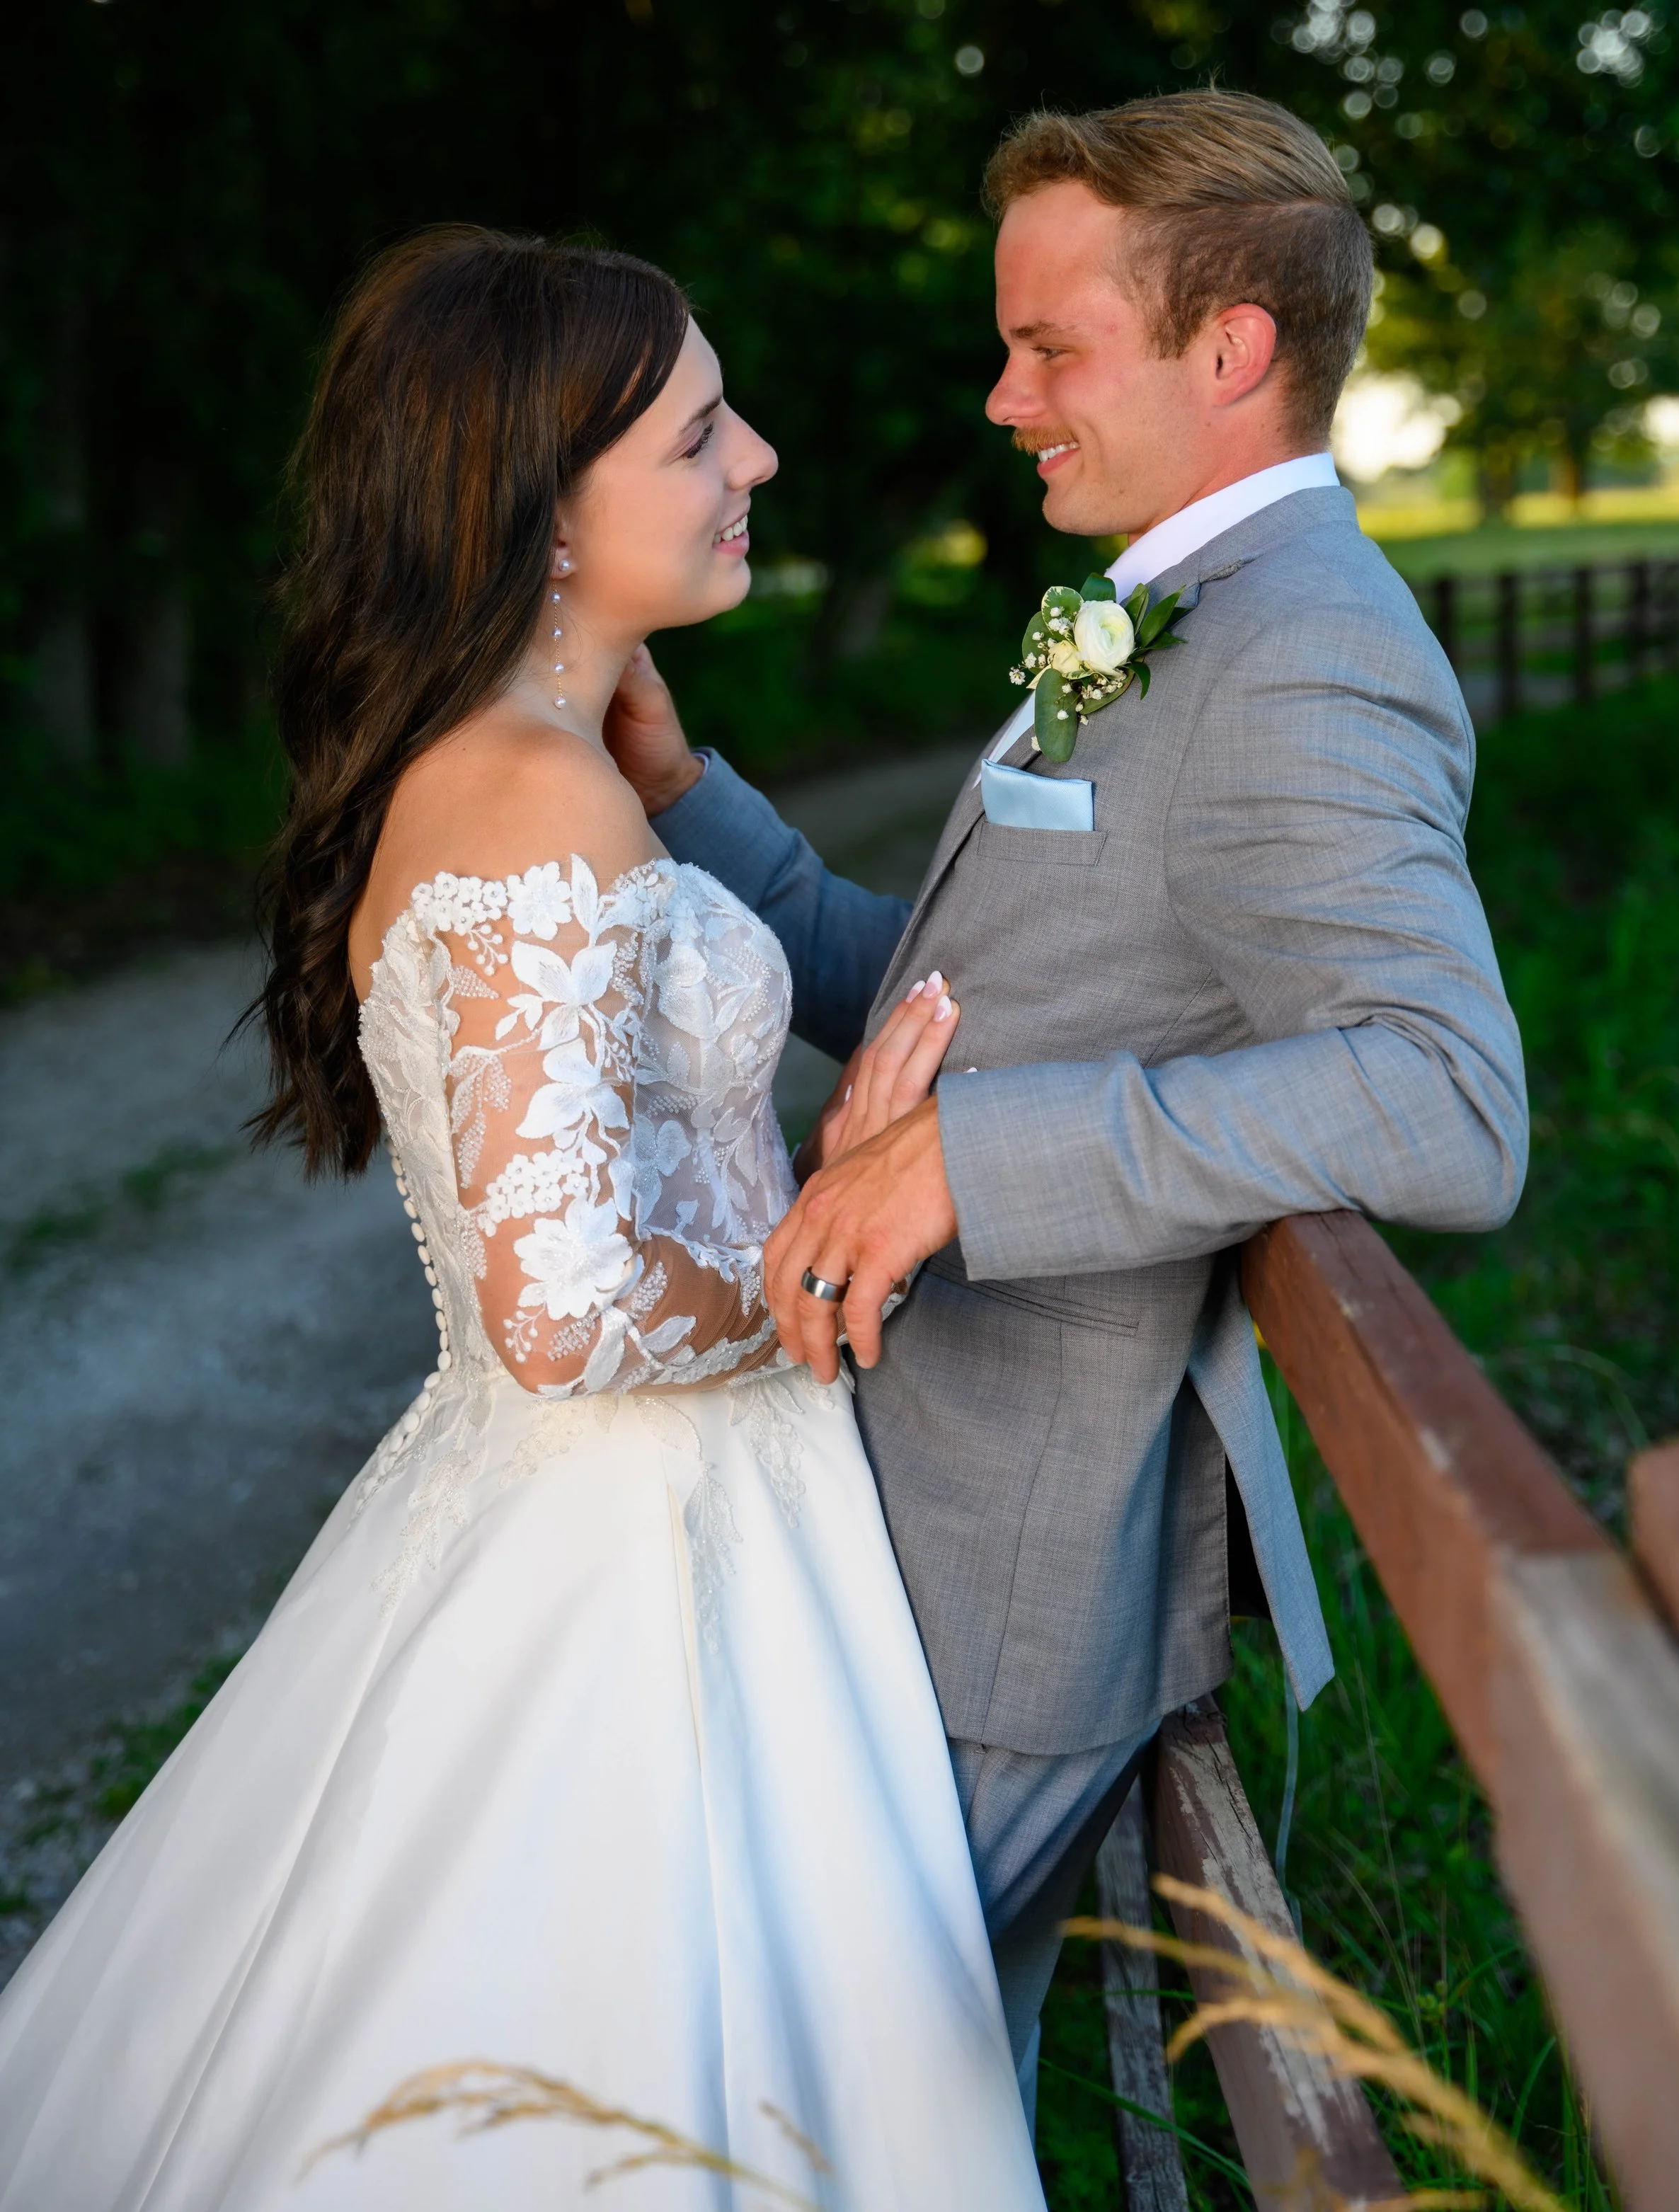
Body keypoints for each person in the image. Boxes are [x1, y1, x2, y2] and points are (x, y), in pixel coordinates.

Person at [0, 229, 1045, 2210]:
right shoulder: (526, 793)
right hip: (624, 1553)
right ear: (539, 509)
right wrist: (834, 1227)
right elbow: (558, 1305)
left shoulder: (557, 769)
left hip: (678, 1509)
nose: (761, 459)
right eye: (698, 433)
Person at [605, 90, 1529, 2120]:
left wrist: (973, 1162)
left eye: (1051, 347)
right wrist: (693, 802)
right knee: (867, 2125)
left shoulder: (1302, 653)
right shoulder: (1154, 613)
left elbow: (1449, 1100)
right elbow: (967, 989)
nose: (1003, 395)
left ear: (1229, 350)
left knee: (793, 2123)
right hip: (907, 1516)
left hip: (1002, 1578)